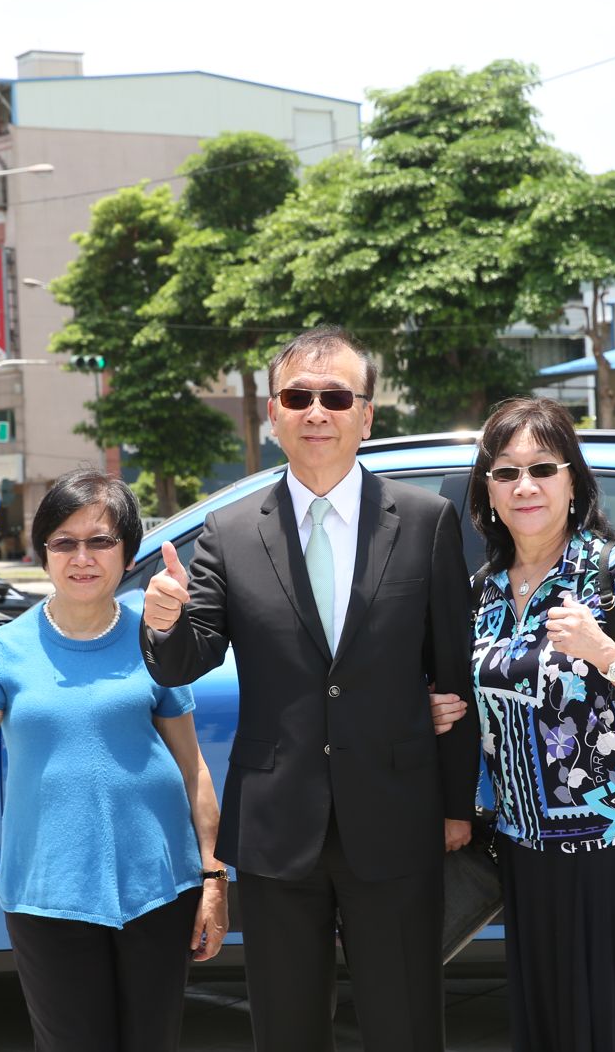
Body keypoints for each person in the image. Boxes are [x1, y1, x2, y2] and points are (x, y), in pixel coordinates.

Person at [140, 325, 478, 1052]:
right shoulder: (229, 532)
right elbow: (186, 660)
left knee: (407, 1025)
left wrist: (456, 806)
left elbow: (454, 671)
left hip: (397, 816)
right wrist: (163, 622)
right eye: (297, 397)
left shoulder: (426, 521)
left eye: (336, 397)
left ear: (367, 415)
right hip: (276, 826)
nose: (316, 411)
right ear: (273, 414)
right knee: (286, 1030)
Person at [0, 470, 227, 1052]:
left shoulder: (154, 637)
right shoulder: (6, 650)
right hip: (49, 895)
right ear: (43, 554)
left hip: (159, 888)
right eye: (64, 542)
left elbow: (194, 770)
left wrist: (213, 878)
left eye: (100, 541)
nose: (82, 558)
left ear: (127, 553)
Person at [431, 396, 615, 1052]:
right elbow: (478, 701)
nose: (525, 486)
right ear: (488, 492)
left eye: (542, 468)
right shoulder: (481, 593)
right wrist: (437, 709)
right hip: (530, 849)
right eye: (506, 472)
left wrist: (603, 651)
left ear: (572, 481)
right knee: (559, 1018)